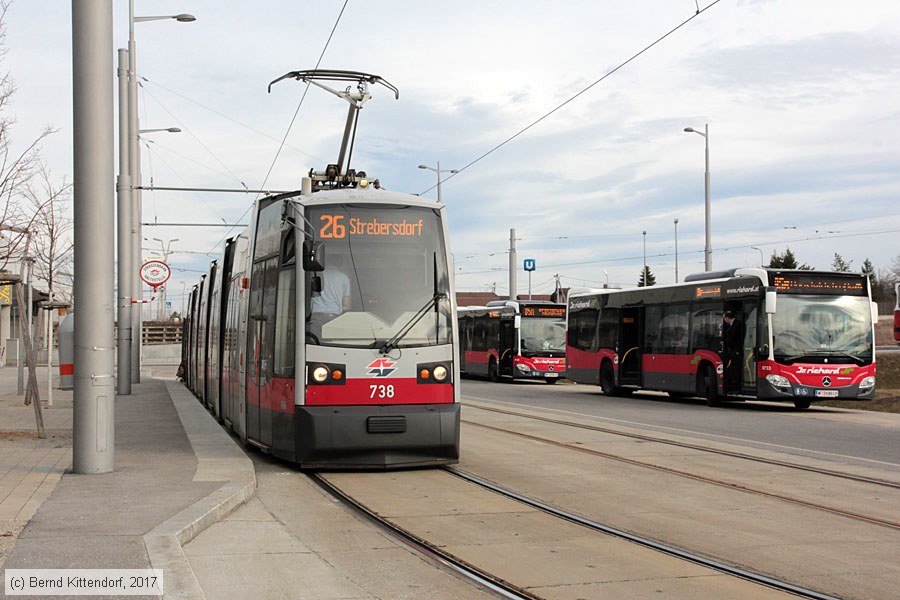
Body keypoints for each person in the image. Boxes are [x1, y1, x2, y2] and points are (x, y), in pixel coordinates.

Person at [309, 257, 351, 340]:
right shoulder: (344, 277)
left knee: (315, 344)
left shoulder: (315, 275)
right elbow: (345, 302)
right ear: (340, 263)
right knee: (331, 345)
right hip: (333, 317)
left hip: (315, 316)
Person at [721, 310, 743, 393]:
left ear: (727, 318)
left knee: (734, 368)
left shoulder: (736, 325)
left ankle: (735, 386)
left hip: (736, 350)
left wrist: (725, 342)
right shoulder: (733, 324)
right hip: (733, 350)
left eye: (724, 319)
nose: (724, 321)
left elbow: (734, 338)